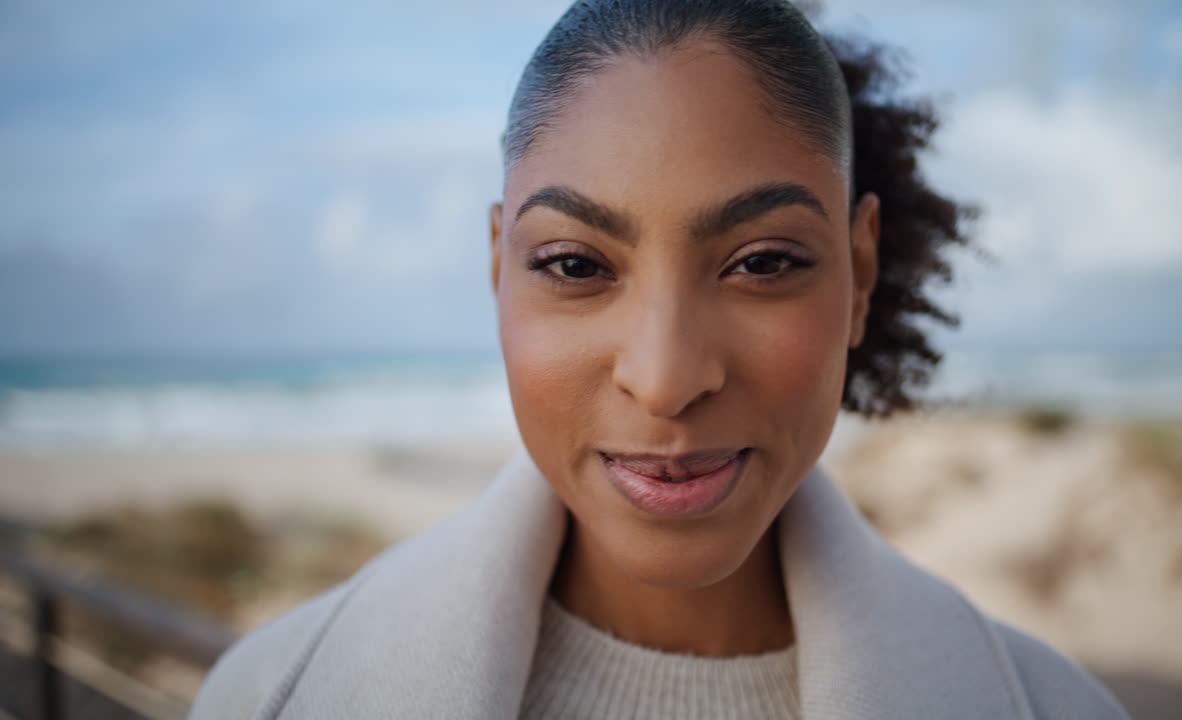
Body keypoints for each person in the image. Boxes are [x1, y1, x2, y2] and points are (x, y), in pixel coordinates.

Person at [191, 1, 1130, 718]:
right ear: (496, 268)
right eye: (575, 265)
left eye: (763, 263)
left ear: (860, 273)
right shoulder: (265, 697)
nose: (668, 376)